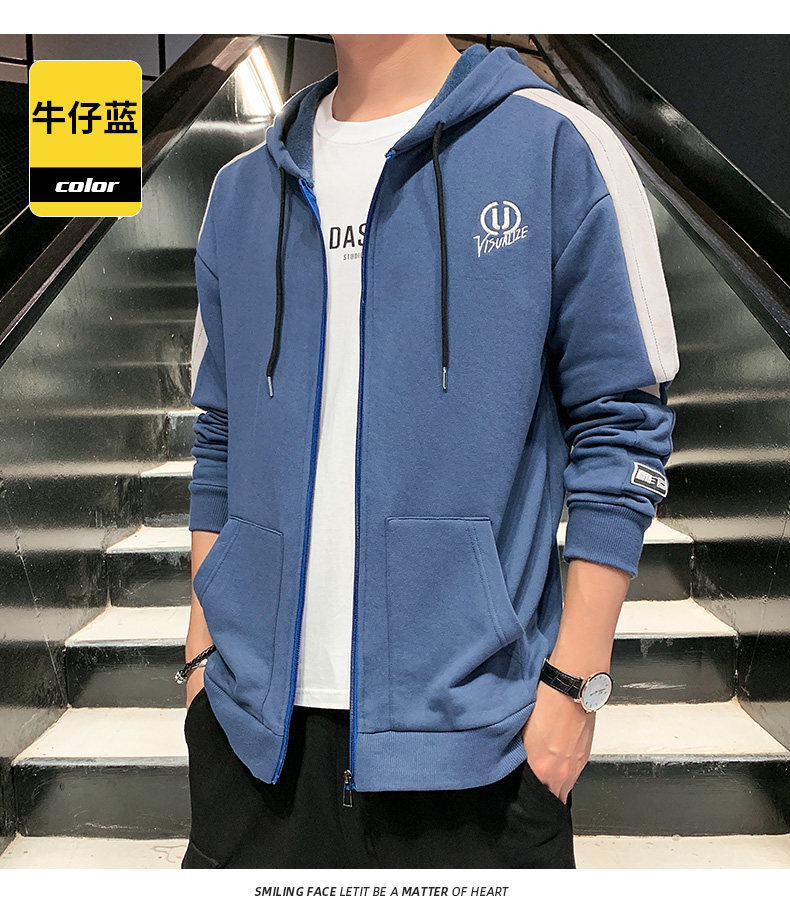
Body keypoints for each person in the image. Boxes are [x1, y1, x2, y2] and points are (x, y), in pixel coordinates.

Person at [180, 34, 679, 869]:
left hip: (482, 748)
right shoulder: (239, 191)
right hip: (249, 740)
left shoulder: (557, 147)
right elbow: (220, 435)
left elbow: (622, 420)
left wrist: (574, 687)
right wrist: (201, 657)